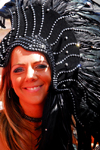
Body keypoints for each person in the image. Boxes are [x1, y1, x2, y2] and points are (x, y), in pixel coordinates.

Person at [0, 0, 100, 150]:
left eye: (40, 66)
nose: (30, 76)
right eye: (18, 69)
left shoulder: (81, 128)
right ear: (9, 80)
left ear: (57, 72)